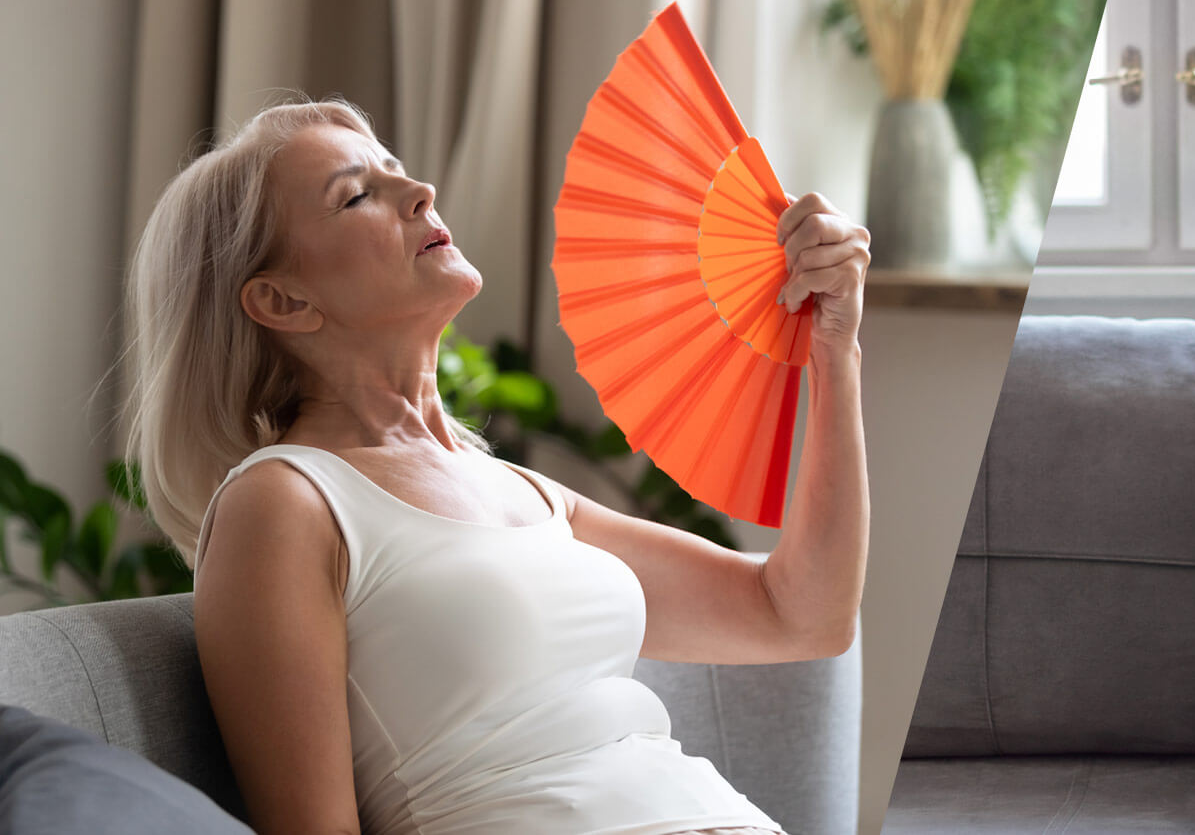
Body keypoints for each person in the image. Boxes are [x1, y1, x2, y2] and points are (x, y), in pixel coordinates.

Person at [121, 97, 870, 835]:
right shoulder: (285, 504)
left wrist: (835, 350)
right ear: (282, 301)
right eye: (357, 196)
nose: (421, 192)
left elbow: (799, 616)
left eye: (397, 170)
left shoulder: (521, 492)